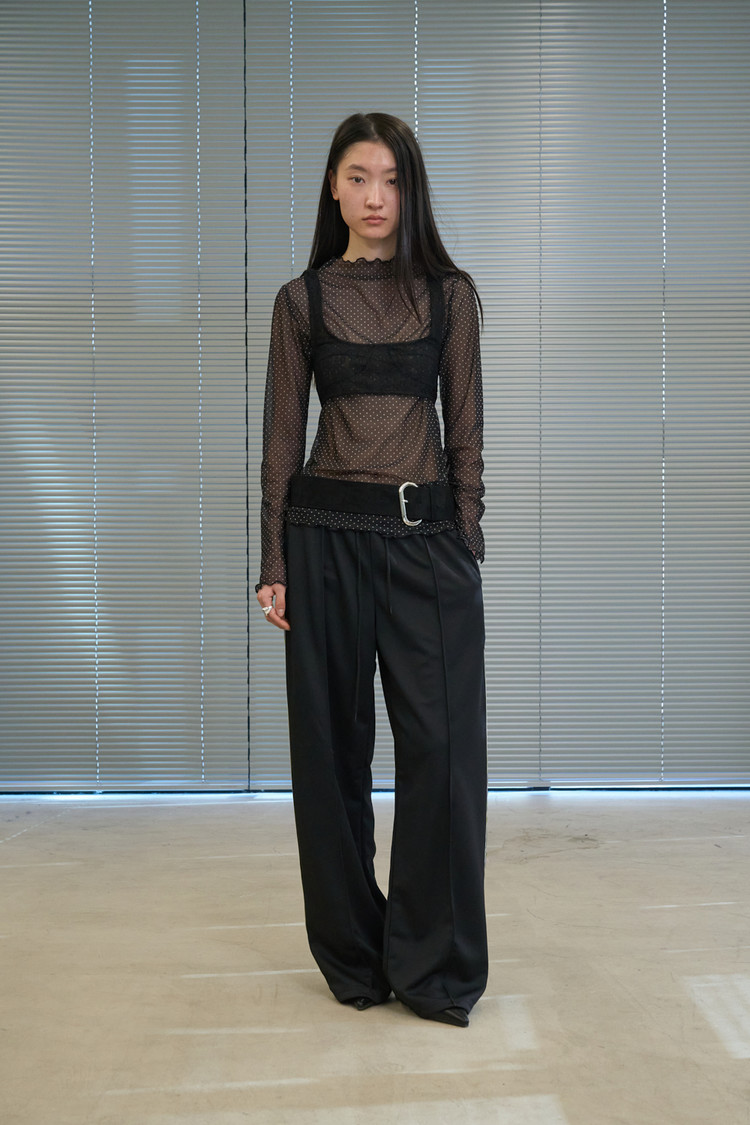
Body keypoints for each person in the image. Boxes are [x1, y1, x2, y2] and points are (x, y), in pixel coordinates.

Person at [256, 112, 487, 1028]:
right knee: (331, 757)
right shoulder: (301, 301)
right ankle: (355, 956)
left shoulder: (450, 298)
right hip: (323, 542)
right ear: (334, 187)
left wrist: (466, 540)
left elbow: (466, 431)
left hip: (425, 544)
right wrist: (274, 561)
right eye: (358, 177)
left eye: (391, 179)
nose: (375, 196)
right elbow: (282, 444)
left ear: (409, 189)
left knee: (443, 754)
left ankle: (436, 967)